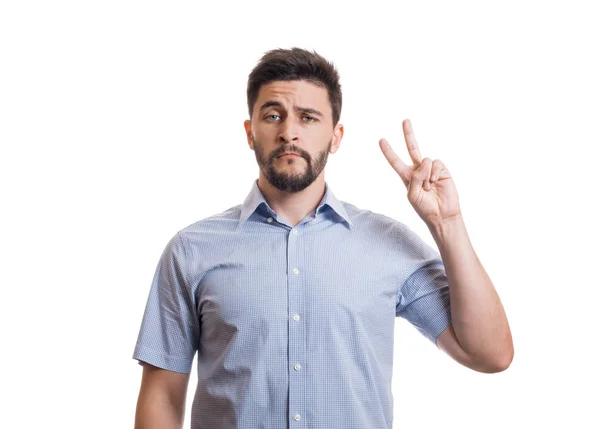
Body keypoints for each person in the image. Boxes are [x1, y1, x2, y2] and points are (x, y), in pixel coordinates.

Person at [132, 47, 513, 429]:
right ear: (250, 132)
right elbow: (162, 396)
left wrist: (447, 223)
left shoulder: (389, 244)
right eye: (272, 115)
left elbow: (490, 354)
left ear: (336, 136)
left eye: (308, 117)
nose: (289, 132)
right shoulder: (191, 250)